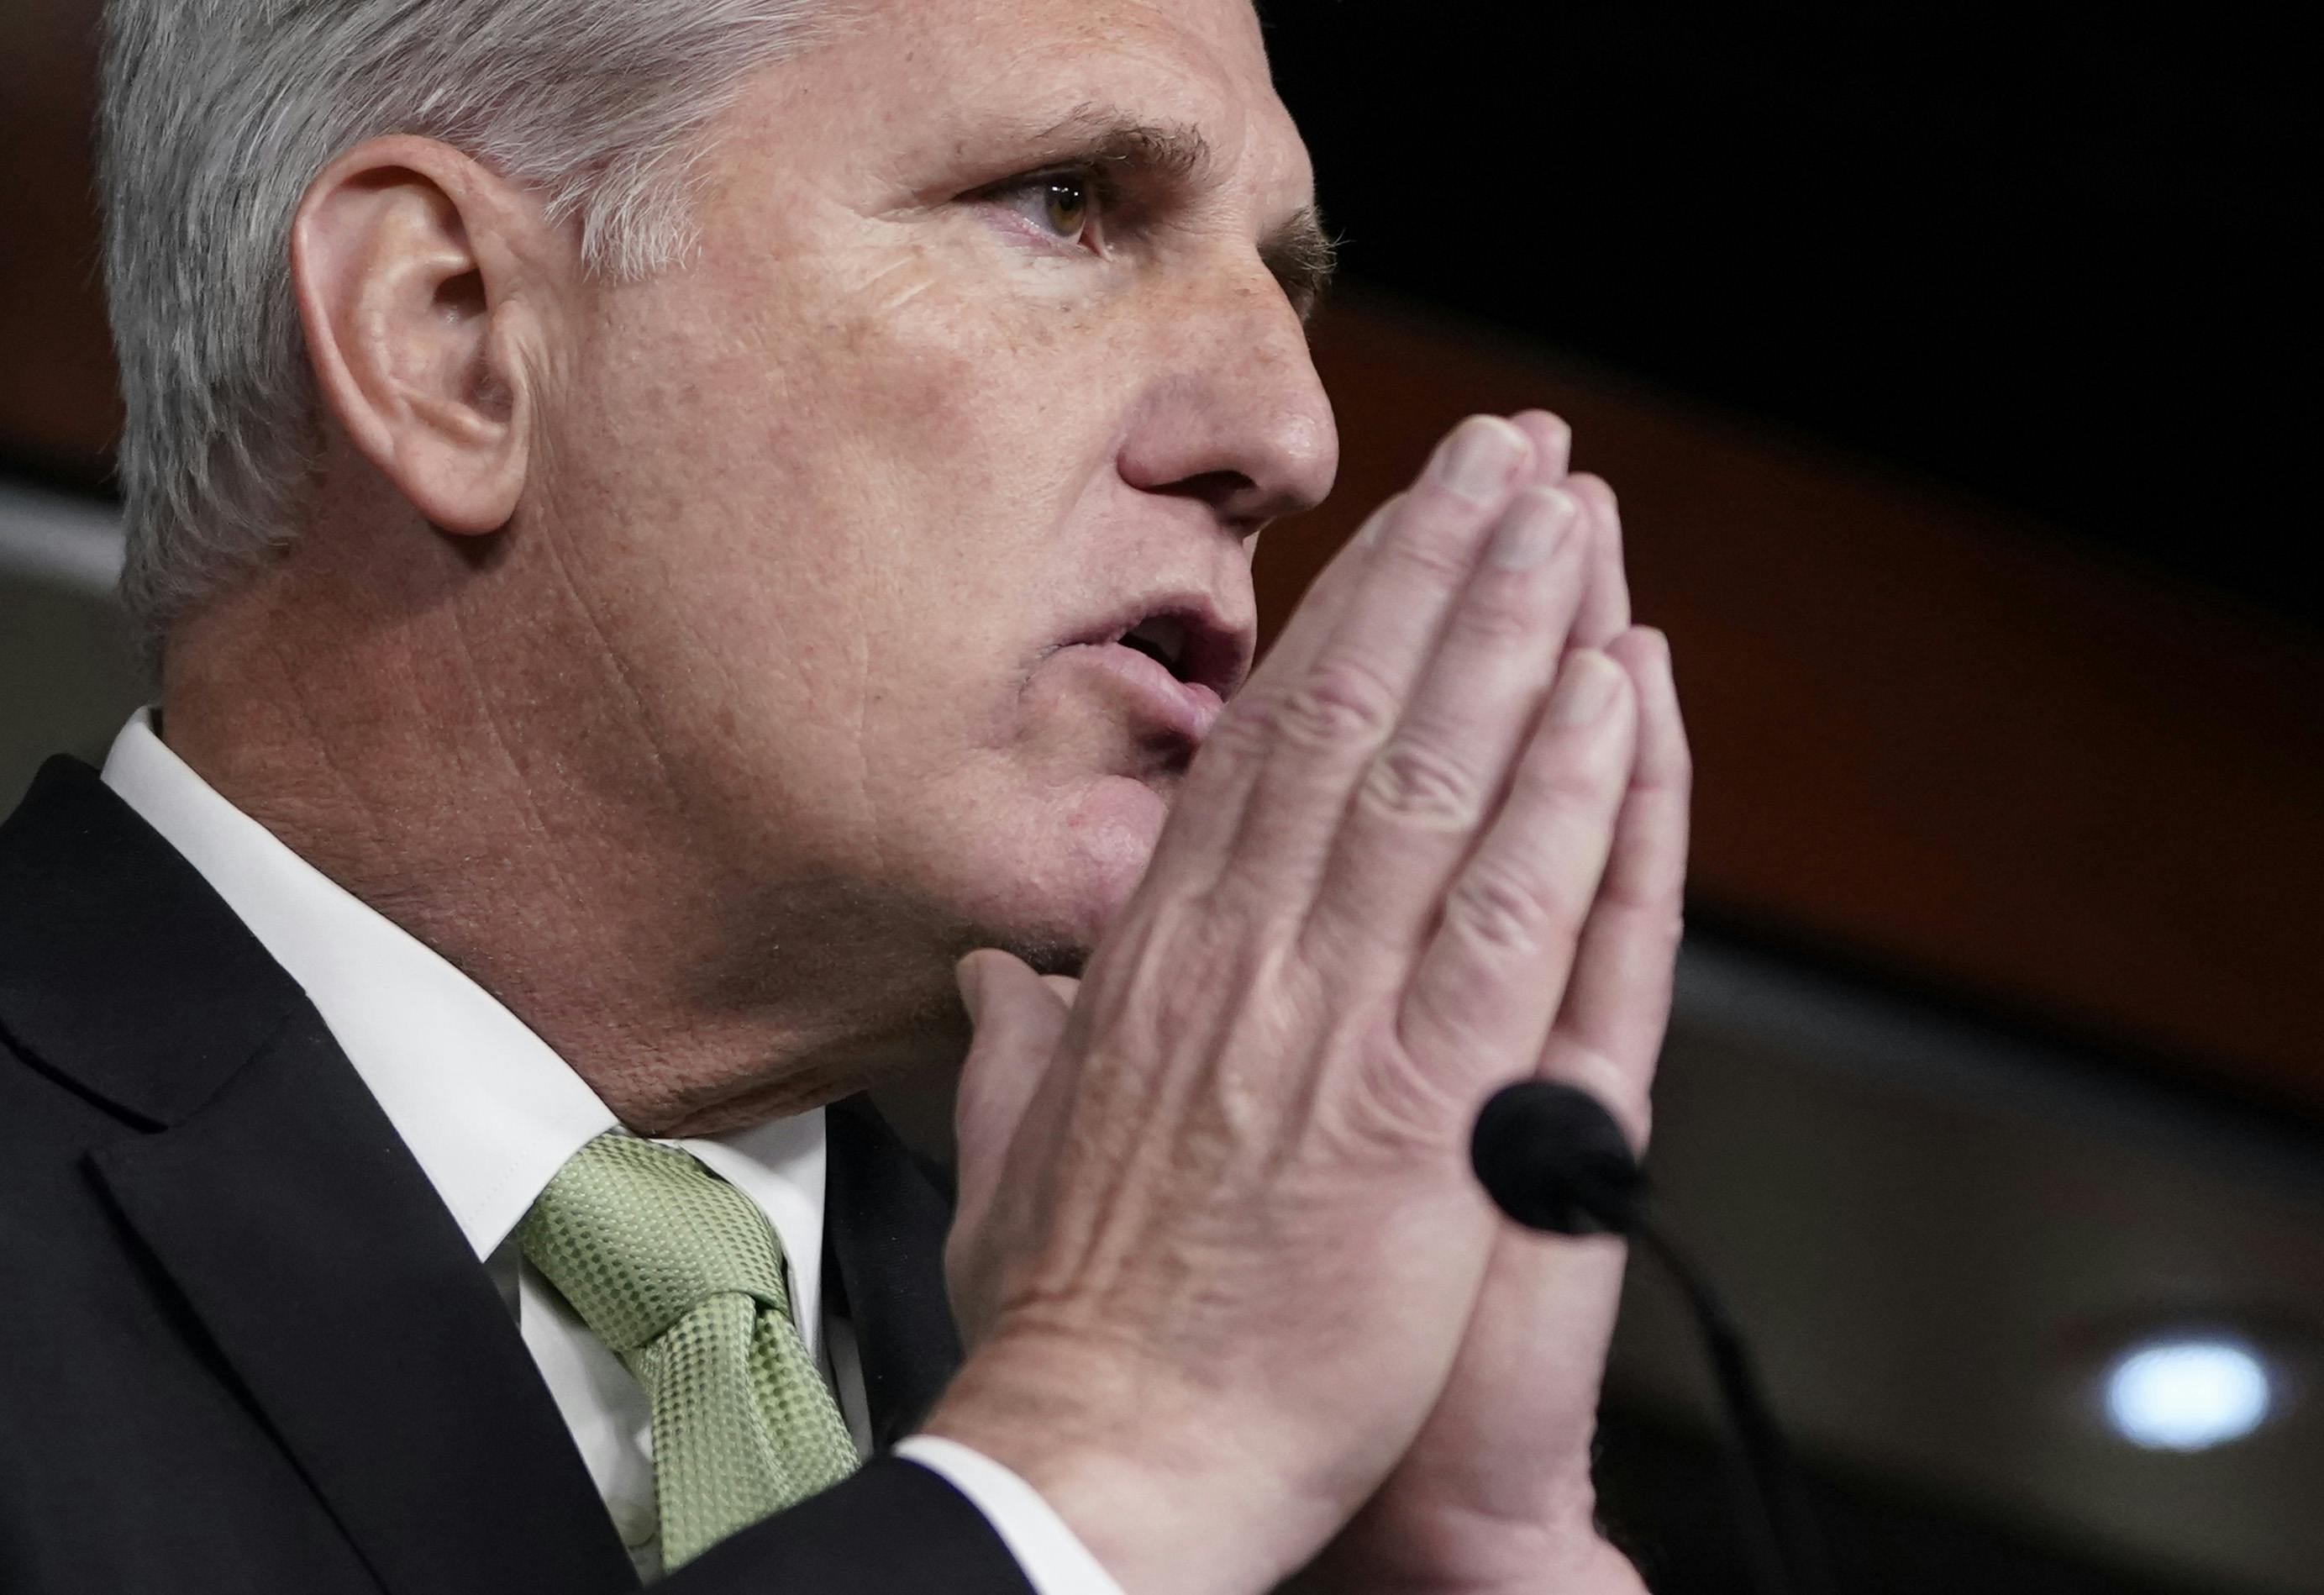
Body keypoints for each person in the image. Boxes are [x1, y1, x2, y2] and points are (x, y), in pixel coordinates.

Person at [0, 0, 1690, 1590]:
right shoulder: (1136, 1432)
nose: (1294, 431)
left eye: (1281, 284)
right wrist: (1096, 1472)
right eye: (1067, 201)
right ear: (451, 334)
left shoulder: (1209, 1415)